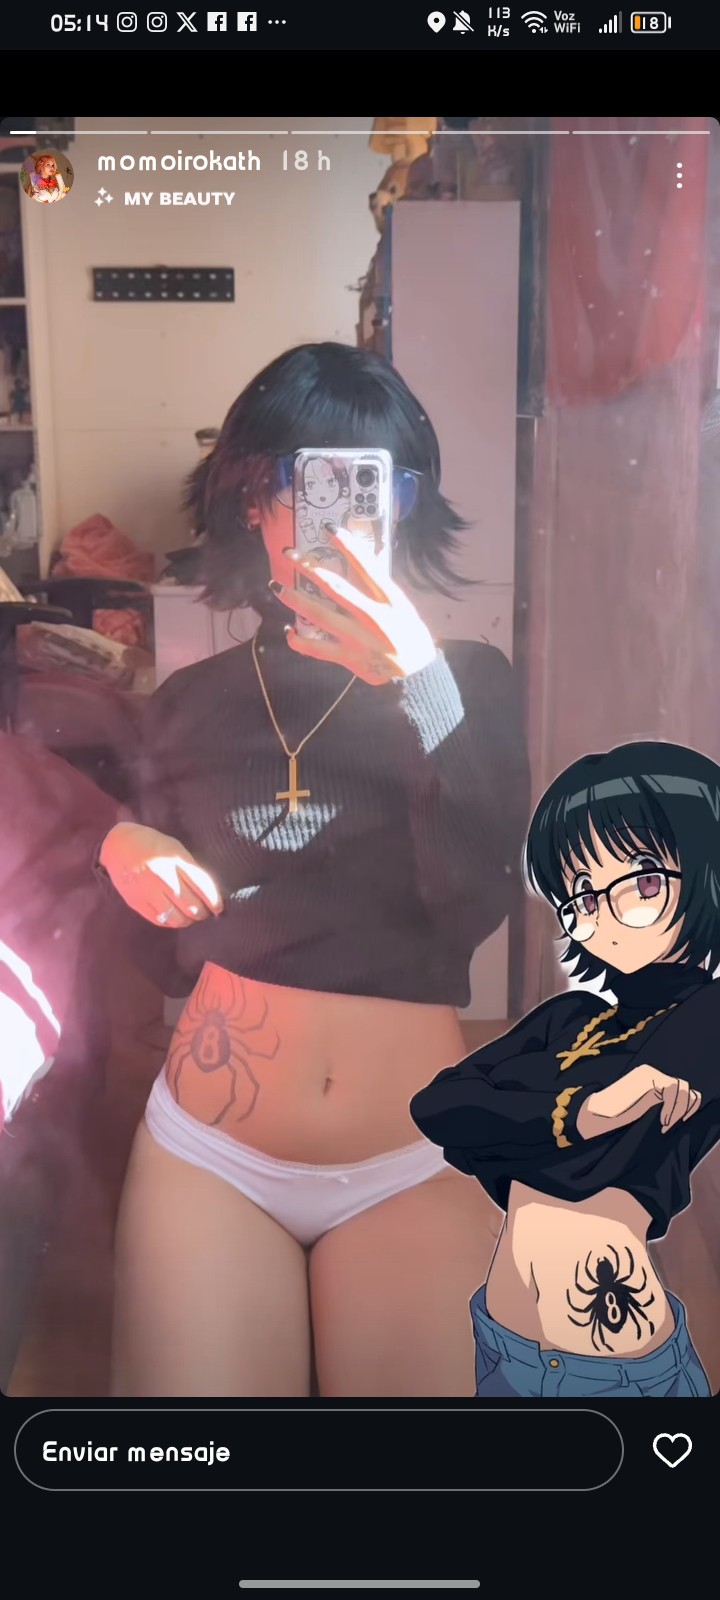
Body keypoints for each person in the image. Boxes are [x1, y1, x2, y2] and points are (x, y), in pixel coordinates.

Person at [98, 341, 530, 1397]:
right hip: (210, 1155)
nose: (350, 517)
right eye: (317, 481)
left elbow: (475, 900)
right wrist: (122, 847)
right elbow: (162, 958)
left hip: (412, 1157)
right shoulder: (190, 702)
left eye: (380, 484)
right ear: (254, 498)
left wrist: (418, 682)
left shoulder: (469, 682)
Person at [411, 740, 720, 1397]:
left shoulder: (708, 1015)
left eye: (642, 880)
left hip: (611, 1371)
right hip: (503, 1345)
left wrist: (511, 1121)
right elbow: (439, 1106)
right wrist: (583, 1110)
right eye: (581, 891)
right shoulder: (569, 1018)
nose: (602, 911)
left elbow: (585, 1164)